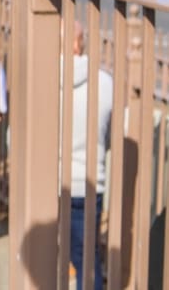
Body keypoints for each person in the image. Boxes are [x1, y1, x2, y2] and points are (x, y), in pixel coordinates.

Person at [69, 20, 113, 290]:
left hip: (51, 182)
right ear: (80, 42)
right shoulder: (105, 82)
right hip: (89, 183)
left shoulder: (45, 75)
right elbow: (110, 136)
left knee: (53, 254)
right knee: (87, 258)